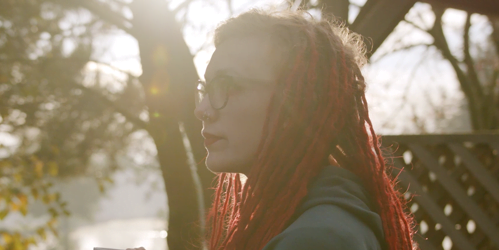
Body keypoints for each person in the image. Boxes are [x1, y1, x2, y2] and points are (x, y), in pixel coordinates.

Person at [132, 9, 416, 250]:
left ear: (300, 102)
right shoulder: (308, 218)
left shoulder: (316, 238)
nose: (202, 110)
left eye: (228, 85)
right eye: (206, 89)